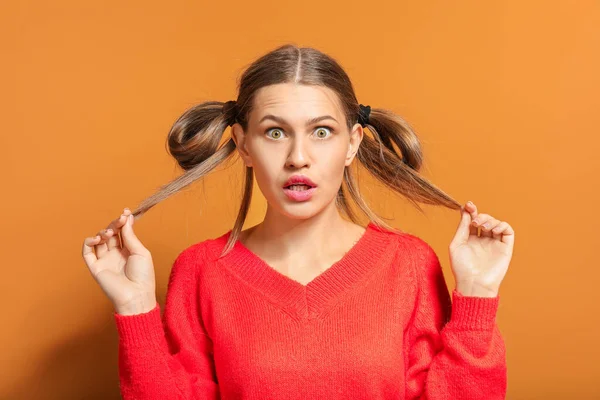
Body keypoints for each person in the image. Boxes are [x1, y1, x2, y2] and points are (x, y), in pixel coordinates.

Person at [81, 44, 514, 399]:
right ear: (243, 146)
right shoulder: (200, 271)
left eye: (321, 131)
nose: (298, 158)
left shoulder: (410, 265)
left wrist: (477, 297)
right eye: (274, 132)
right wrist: (135, 309)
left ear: (352, 144)